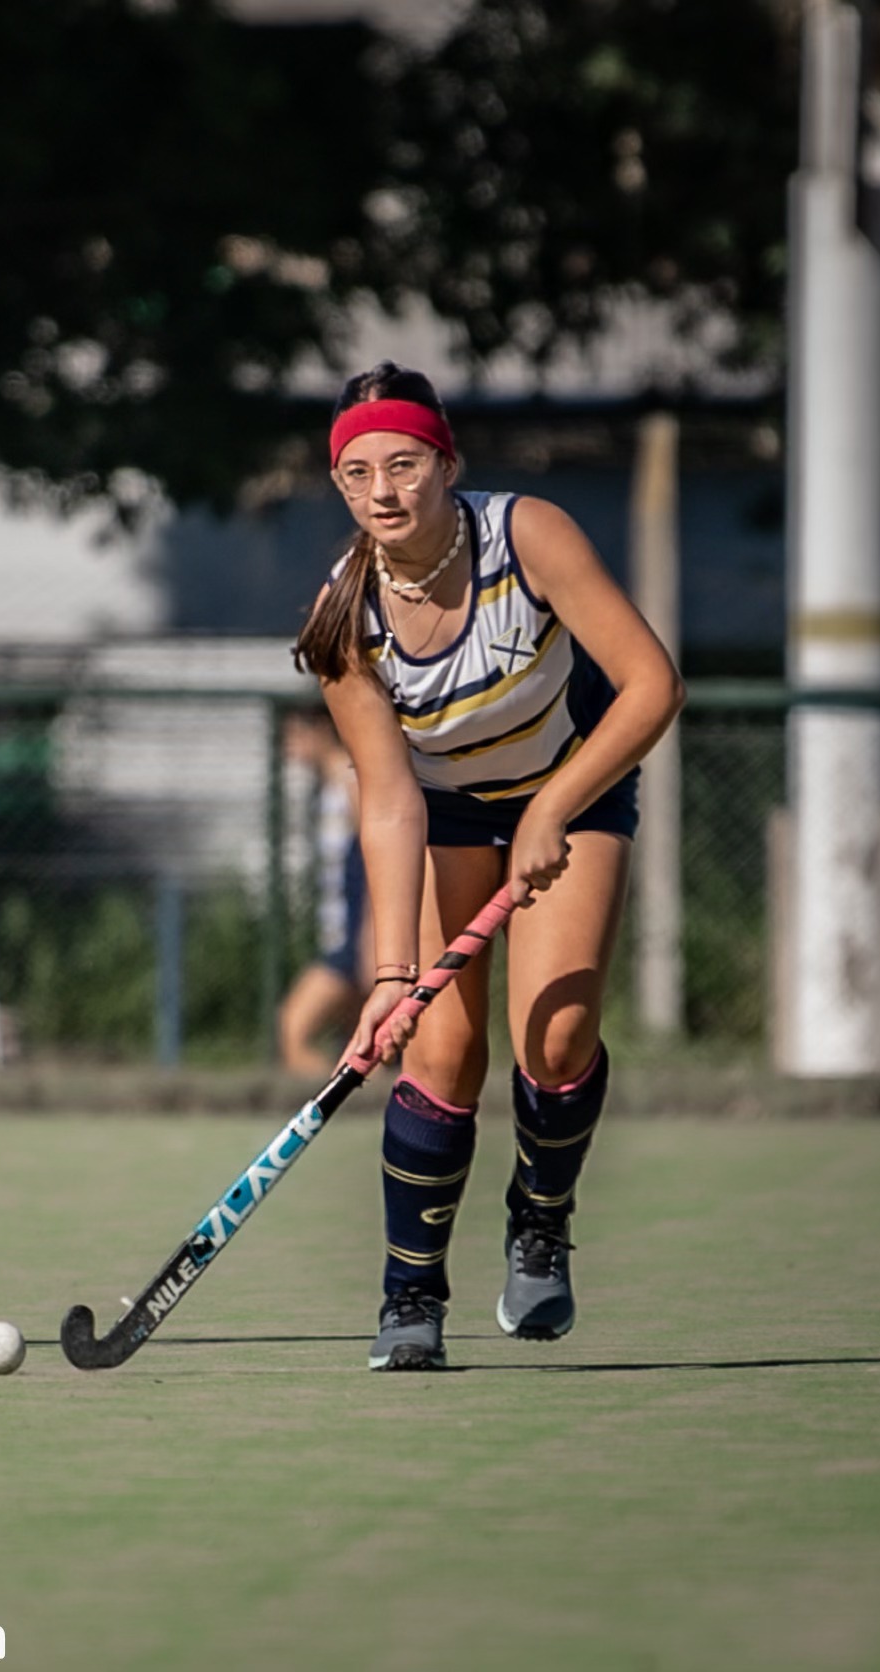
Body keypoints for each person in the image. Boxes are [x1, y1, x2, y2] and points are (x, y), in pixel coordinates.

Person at [291, 361, 683, 1372]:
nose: (382, 489)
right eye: (357, 472)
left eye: (404, 464)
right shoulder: (342, 617)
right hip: (447, 812)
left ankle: (538, 1218)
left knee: (551, 1039)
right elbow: (385, 797)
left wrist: (553, 802)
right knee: (436, 1054)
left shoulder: (526, 535)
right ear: (339, 486)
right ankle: (407, 1300)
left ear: (445, 463)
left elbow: (649, 683)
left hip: (575, 779)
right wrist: (386, 976)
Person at [275, 708, 372, 1077]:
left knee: (292, 1028)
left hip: (355, 934)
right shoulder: (326, 785)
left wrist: (371, 933)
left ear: (319, 732)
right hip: (339, 929)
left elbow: (375, 859)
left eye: (294, 738)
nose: (289, 750)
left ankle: (331, 1105)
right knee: (361, 1047)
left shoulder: (350, 778)